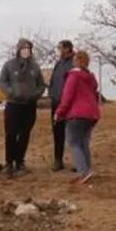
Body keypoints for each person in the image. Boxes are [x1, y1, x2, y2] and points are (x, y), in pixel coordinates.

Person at [0, 38, 47, 176]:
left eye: (28, 48)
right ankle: (9, 162)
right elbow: (2, 82)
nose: (26, 50)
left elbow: (41, 86)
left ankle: (20, 162)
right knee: (11, 134)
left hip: (29, 105)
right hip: (13, 105)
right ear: (18, 49)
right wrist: (11, 92)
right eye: (23, 47)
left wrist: (34, 95)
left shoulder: (35, 67)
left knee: (25, 134)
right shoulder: (9, 65)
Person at [55, 50, 101, 185]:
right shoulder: (90, 78)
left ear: (76, 61)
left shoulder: (73, 77)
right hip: (91, 114)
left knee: (74, 142)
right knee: (84, 142)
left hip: (77, 114)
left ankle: (83, 172)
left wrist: (59, 113)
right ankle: (88, 169)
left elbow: (67, 97)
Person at [48, 40, 75, 171]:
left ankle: (77, 161)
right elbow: (54, 80)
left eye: (61, 48)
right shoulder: (58, 64)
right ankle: (58, 160)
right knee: (57, 133)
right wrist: (51, 94)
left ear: (68, 48)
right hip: (56, 103)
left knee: (73, 133)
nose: (59, 50)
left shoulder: (75, 63)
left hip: (70, 104)